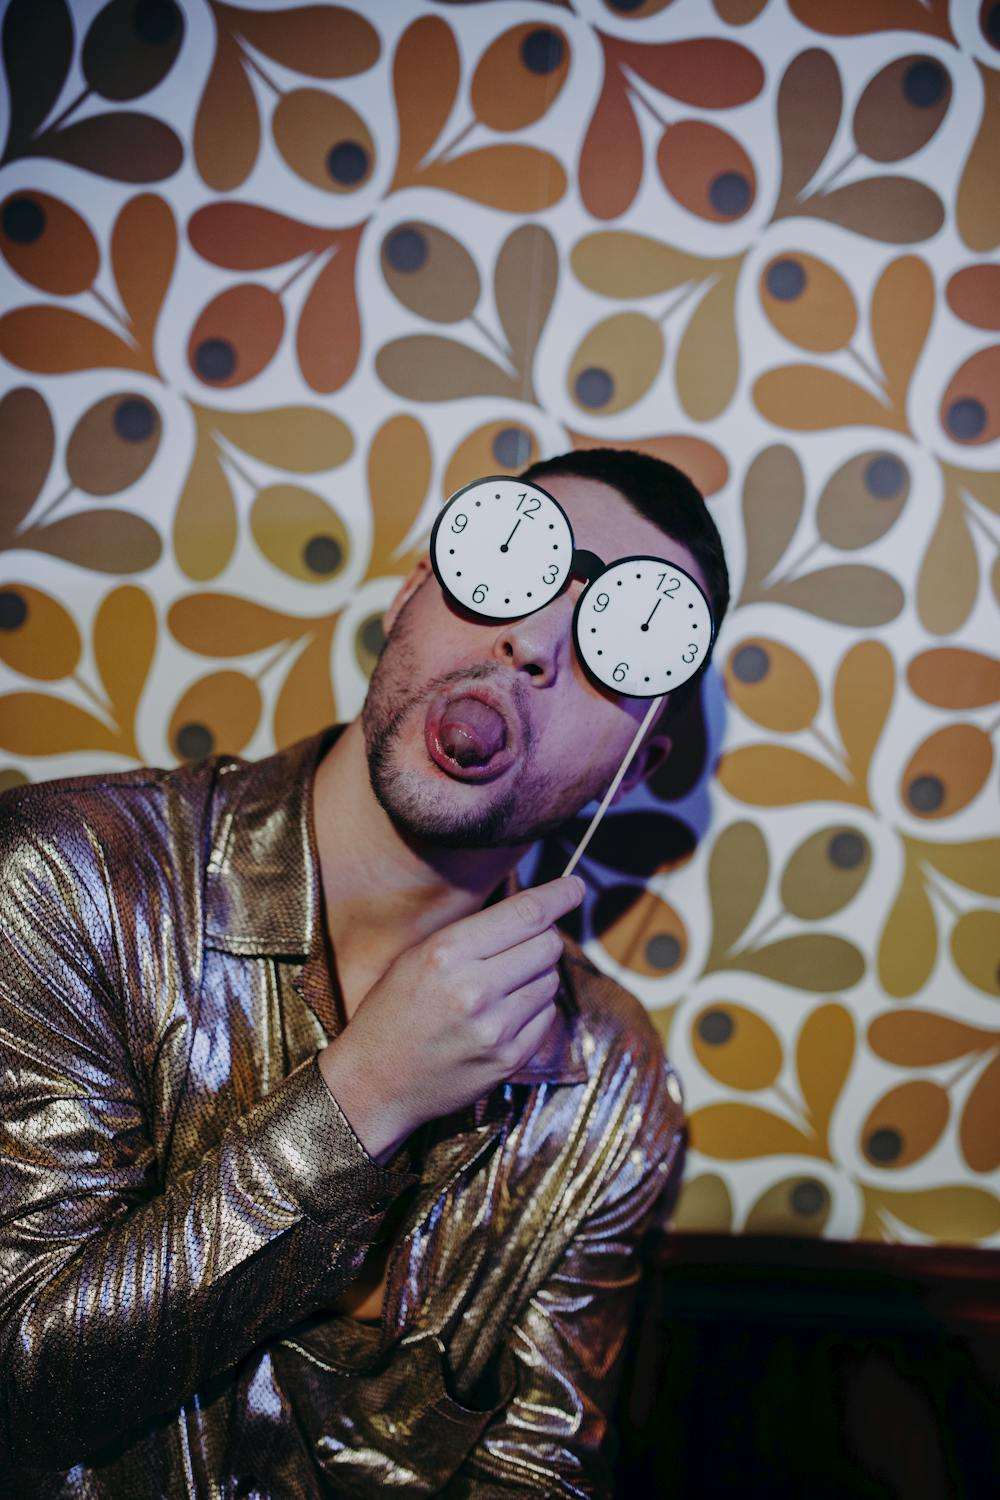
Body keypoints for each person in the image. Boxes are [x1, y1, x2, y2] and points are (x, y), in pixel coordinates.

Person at [0, 447, 729, 1498]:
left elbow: (536, 1471)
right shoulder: (70, 879)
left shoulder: (609, 1085)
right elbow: (23, 1384)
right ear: (410, 597)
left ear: (638, 765)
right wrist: (367, 1096)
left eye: (623, 644)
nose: (530, 644)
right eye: (508, 569)